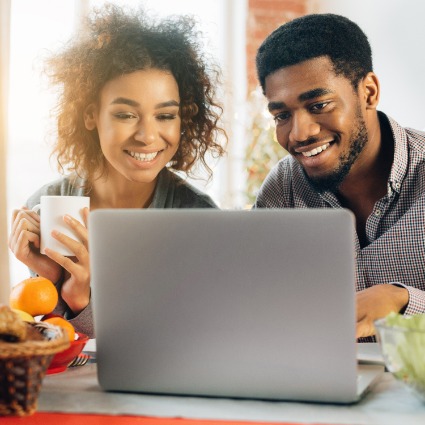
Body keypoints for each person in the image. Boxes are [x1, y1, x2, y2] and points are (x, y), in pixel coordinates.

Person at [8, 4, 226, 338]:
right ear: (90, 115)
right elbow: (49, 345)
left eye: (165, 116)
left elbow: (186, 341)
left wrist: (80, 300)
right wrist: (55, 282)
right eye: (126, 115)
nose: (148, 136)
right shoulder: (51, 203)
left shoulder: (198, 217)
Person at [253, 13, 425, 340]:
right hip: (318, 383)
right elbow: (255, 304)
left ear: (369, 93)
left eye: (319, 105)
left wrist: (404, 302)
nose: (299, 134)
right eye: (282, 115)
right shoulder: (282, 189)